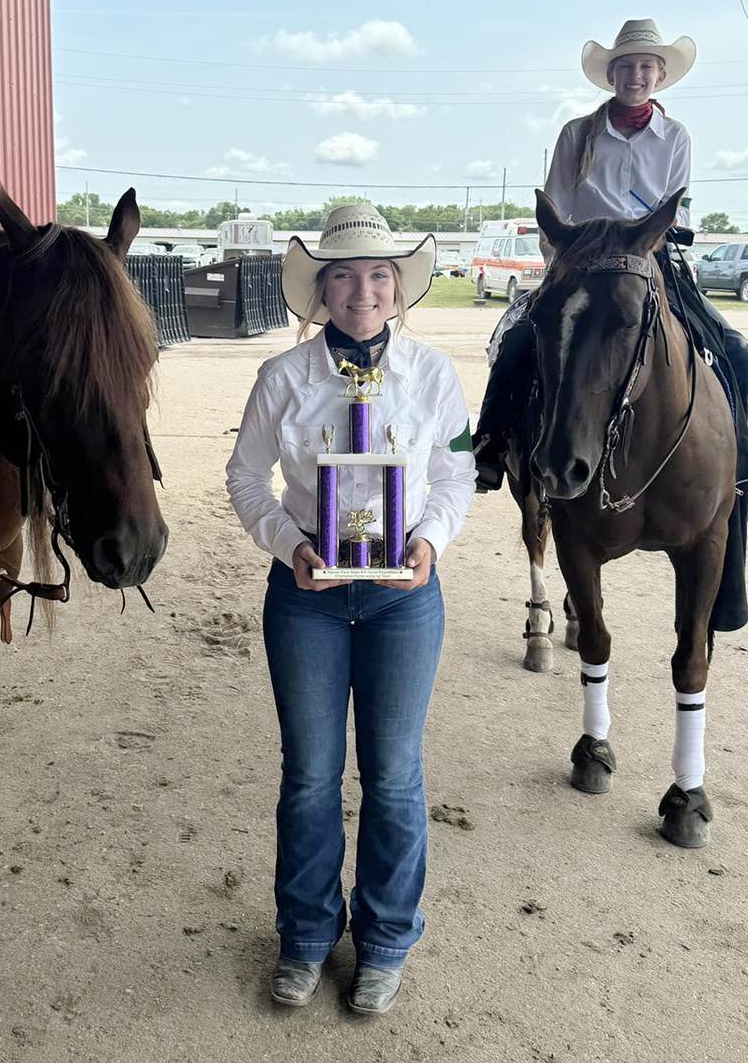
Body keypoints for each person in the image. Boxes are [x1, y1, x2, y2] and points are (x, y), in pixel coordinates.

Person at [226, 204, 476, 1014]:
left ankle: (385, 941)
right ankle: (303, 936)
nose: (360, 291)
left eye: (377, 276)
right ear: (321, 291)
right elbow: (243, 478)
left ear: (398, 289)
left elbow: (457, 474)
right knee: (308, 777)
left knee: (396, 779)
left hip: (404, 600)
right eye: (343, 276)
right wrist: (287, 545)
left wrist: (430, 541)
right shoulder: (282, 379)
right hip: (307, 599)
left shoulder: (435, 376)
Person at [471, 19, 748, 631]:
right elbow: (558, 207)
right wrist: (567, 265)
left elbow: (674, 205)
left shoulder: (675, 135)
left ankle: (737, 471)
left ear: (659, 75)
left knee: (735, 351)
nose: (636, 75)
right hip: (581, 259)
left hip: (647, 259)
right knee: (522, 337)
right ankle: (493, 444)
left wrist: (647, 249)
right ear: (611, 74)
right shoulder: (578, 133)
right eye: (625, 66)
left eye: (646, 66)